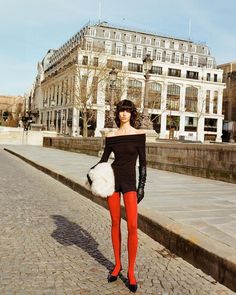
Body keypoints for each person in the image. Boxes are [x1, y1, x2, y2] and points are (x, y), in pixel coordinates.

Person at [90, 99, 146, 293]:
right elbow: (104, 160)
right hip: (113, 182)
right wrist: (91, 173)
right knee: (115, 222)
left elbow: (143, 164)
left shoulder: (139, 135)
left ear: (132, 114)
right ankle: (117, 265)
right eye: (121, 111)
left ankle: (131, 271)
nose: (124, 114)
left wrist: (142, 186)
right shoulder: (112, 136)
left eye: (127, 111)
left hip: (130, 182)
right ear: (118, 114)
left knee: (132, 225)